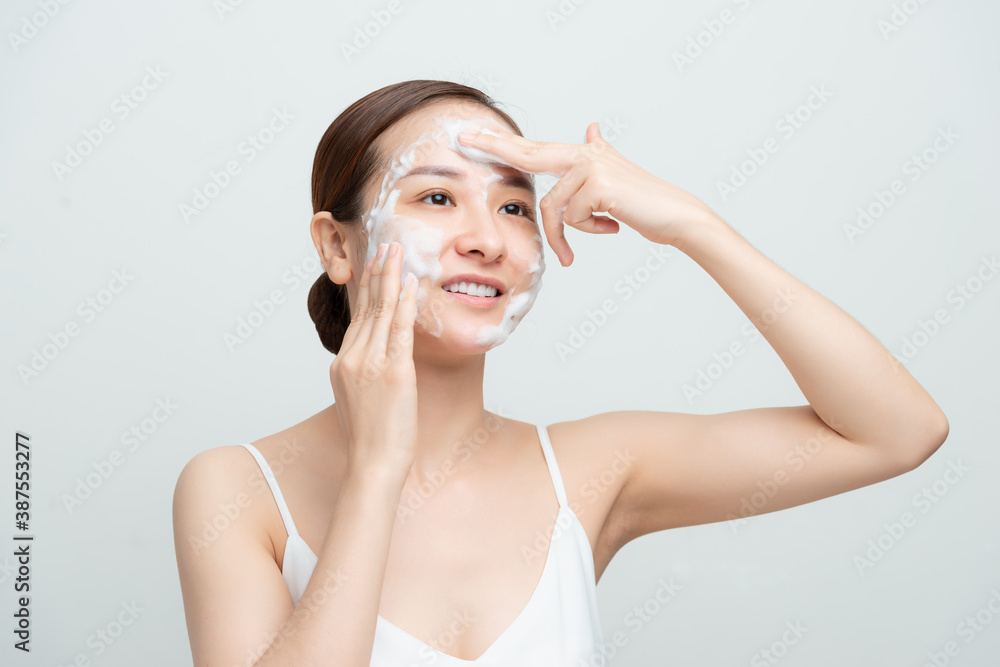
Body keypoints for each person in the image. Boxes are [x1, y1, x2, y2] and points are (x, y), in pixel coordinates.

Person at [172, 79, 949, 666]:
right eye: (437, 196)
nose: (487, 238)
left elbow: (900, 431)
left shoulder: (588, 473)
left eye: (514, 207)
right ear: (338, 247)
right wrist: (378, 470)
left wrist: (688, 224)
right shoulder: (236, 490)